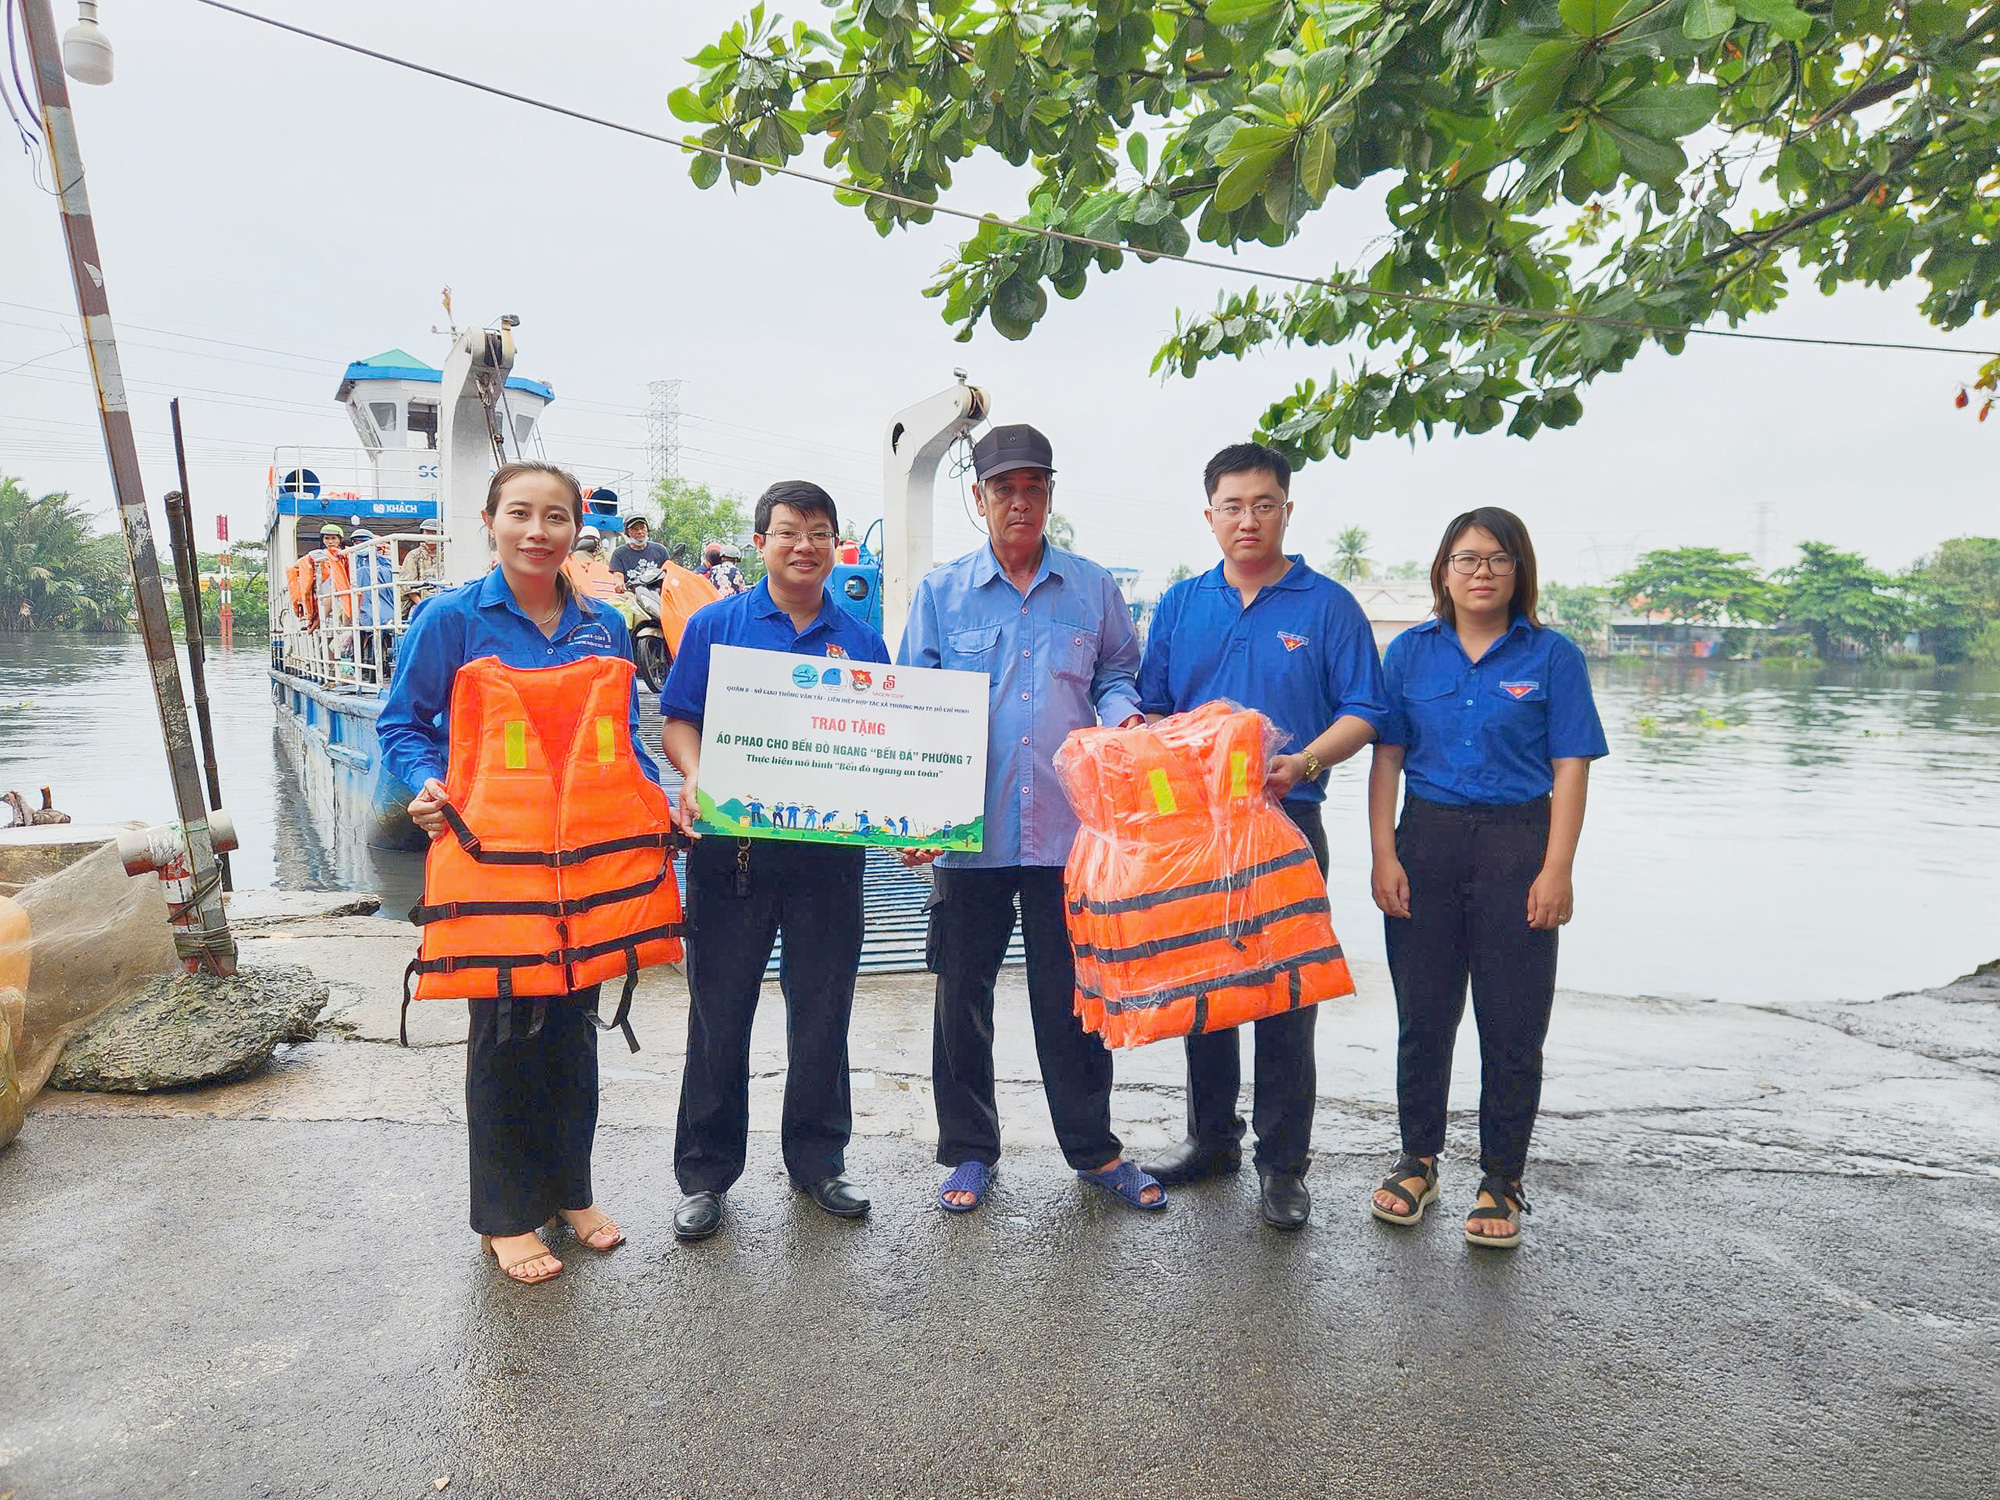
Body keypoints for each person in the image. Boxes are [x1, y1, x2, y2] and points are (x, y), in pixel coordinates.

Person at [379, 460, 661, 1286]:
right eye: (521, 515)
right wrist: (424, 790)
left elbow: (624, 741)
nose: (538, 532)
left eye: (556, 518)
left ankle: (569, 1190)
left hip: (585, 865)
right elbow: (405, 724)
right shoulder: (451, 618)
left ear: (579, 529)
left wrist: (655, 805)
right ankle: (505, 1216)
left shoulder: (603, 625)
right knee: (504, 1031)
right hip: (491, 858)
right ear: (490, 521)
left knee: (574, 1027)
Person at [898, 423, 1165, 1216]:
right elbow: (914, 705)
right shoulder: (941, 594)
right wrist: (915, 815)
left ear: (1050, 495)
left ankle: (1093, 1150)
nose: (1020, 502)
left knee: (1073, 999)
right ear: (978, 499)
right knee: (961, 996)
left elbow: (1119, 668)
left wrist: (1121, 716)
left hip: (1069, 835)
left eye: (1034, 487)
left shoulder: (1090, 587)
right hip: (967, 834)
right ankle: (969, 1151)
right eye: (1003, 489)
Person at [1135, 443, 1387, 1229]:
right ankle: (1212, 1141)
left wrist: (1303, 758)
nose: (1249, 519)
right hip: (1197, 831)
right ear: (1209, 515)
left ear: (1287, 509)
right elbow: (1151, 708)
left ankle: (1284, 1165)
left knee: (1286, 996)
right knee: (1202, 990)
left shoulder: (1327, 605)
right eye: (1233, 506)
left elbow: (1366, 712)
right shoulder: (1181, 603)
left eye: (1264, 503)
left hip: (1288, 819)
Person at [1366, 507, 1608, 1250]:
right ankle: (1419, 1161)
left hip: (1518, 844)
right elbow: (1386, 763)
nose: (1481, 572)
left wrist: (1556, 868)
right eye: (1467, 559)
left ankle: (1502, 1177)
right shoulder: (1409, 653)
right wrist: (1384, 854)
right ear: (1443, 571)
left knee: (1512, 1025)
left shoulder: (1552, 657)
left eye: (1498, 560)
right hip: (1427, 841)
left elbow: (1571, 768)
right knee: (1424, 1017)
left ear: (1518, 572)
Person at [657, 480, 890, 1242]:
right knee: (719, 1014)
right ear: (760, 542)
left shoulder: (860, 640)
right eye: (789, 531)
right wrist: (694, 777)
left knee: (823, 1015)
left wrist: (913, 813)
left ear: (834, 545)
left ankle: (820, 1161)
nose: (804, 545)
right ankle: (704, 1173)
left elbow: (886, 748)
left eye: (819, 532)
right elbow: (679, 722)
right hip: (736, 853)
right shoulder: (716, 626)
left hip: (831, 858)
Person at [563, 526, 623, 604]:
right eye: (586, 539)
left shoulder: (608, 556)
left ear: (598, 540)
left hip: (609, 598)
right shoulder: (575, 557)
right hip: (585, 597)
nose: (589, 542)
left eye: (592, 538)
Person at [609, 514, 669, 586]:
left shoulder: (660, 550)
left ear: (647, 529)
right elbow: (618, 576)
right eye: (635, 529)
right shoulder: (619, 553)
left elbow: (669, 572)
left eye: (642, 528)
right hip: (631, 593)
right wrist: (619, 584)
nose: (640, 531)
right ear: (627, 532)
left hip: (659, 593)